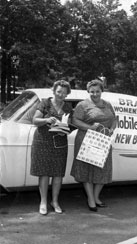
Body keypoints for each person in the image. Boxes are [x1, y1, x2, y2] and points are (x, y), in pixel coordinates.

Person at [71, 79, 116, 212]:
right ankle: (91, 199)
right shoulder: (82, 105)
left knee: (103, 169)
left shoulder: (107, 104)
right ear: (88, 92)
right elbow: (74, 120)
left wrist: (112, 128)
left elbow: (114, 119)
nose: (95, 94)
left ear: (102, 91)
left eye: (97, 91)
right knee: (87, 170)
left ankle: (96, 197)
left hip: (103, 139)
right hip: (87, 139)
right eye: (92, 92)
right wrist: (90, 127)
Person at [30, 80, 72, 215]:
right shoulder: (45, 103)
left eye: (64, 93)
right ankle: (43, 201)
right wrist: (47, 120)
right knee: (44, 172)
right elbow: (35, 120)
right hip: (43, 141)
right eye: (59, 91)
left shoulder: (68, 107)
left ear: (67, 94)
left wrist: (65, 129)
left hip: (60, 141)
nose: (61, 95)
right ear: (54, 91)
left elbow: (70, 126)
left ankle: (55, 201)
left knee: (58, 173)